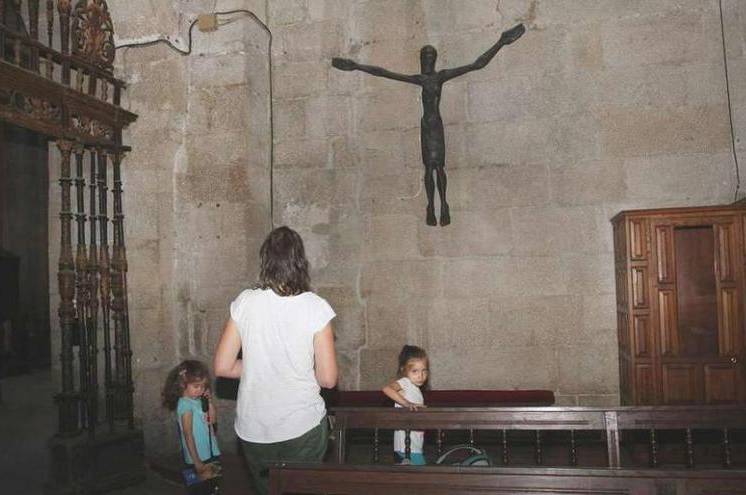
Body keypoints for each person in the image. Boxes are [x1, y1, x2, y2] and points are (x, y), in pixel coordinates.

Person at [332, 24, 525, 227]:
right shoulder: (420, 79)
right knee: (429, 167)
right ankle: (430, 207)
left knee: (439, 167)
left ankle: (444, 205)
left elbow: (478, 64)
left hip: (436, 127)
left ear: (434, 60)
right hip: (426, 126)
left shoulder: (440, 77)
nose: (427, 61)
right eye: (424, 57)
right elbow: (384, 73)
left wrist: (501, 42)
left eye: (430, 57)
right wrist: (356, 66)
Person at [214, 226, 338, 495]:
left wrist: (262, 365)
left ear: (265, 262)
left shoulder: (245, 302)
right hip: (301, 424)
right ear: (300, 262)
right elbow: (328, 379)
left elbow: (223, 366)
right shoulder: (315, 307)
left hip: (254, 428)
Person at [162, 360, 222, 484]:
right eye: (196, 386)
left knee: (214, 484)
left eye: (203, 386)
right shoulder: (185, 405)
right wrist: (196, 461)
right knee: (198, 488)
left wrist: (209, 402)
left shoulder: (199, 400)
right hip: (197, 456)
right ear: (183, 384)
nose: (200, 390)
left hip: (210, 449)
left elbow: (213, 421)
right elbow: (187, 434)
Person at [381, 345, 429, 465]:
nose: (420, 375)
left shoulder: (415, 389)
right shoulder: (406, 382)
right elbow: (386, 389)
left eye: (424, 371)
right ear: (404, 370)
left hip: (414, 444)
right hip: (406, 446)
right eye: (415, 371)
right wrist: (407, 403)